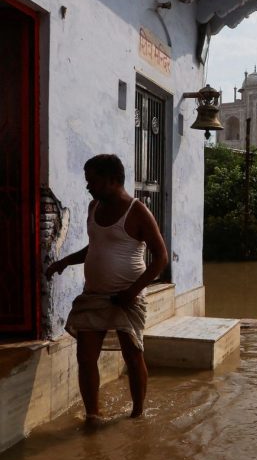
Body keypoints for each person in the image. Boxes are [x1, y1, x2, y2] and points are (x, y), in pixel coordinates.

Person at [46, 154, 168, 421]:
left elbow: (161, 257)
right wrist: (65, 261)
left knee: (133, 356)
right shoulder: (93, 207)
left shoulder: (137, 211)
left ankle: (137, 415)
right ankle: (93, 416)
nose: (88, 186)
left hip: (128, 297)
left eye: (93, 181)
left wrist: (132, 292)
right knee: (85, 357)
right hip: (94, 295)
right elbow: (97, 246)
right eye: (87, 181)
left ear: (113, 180)